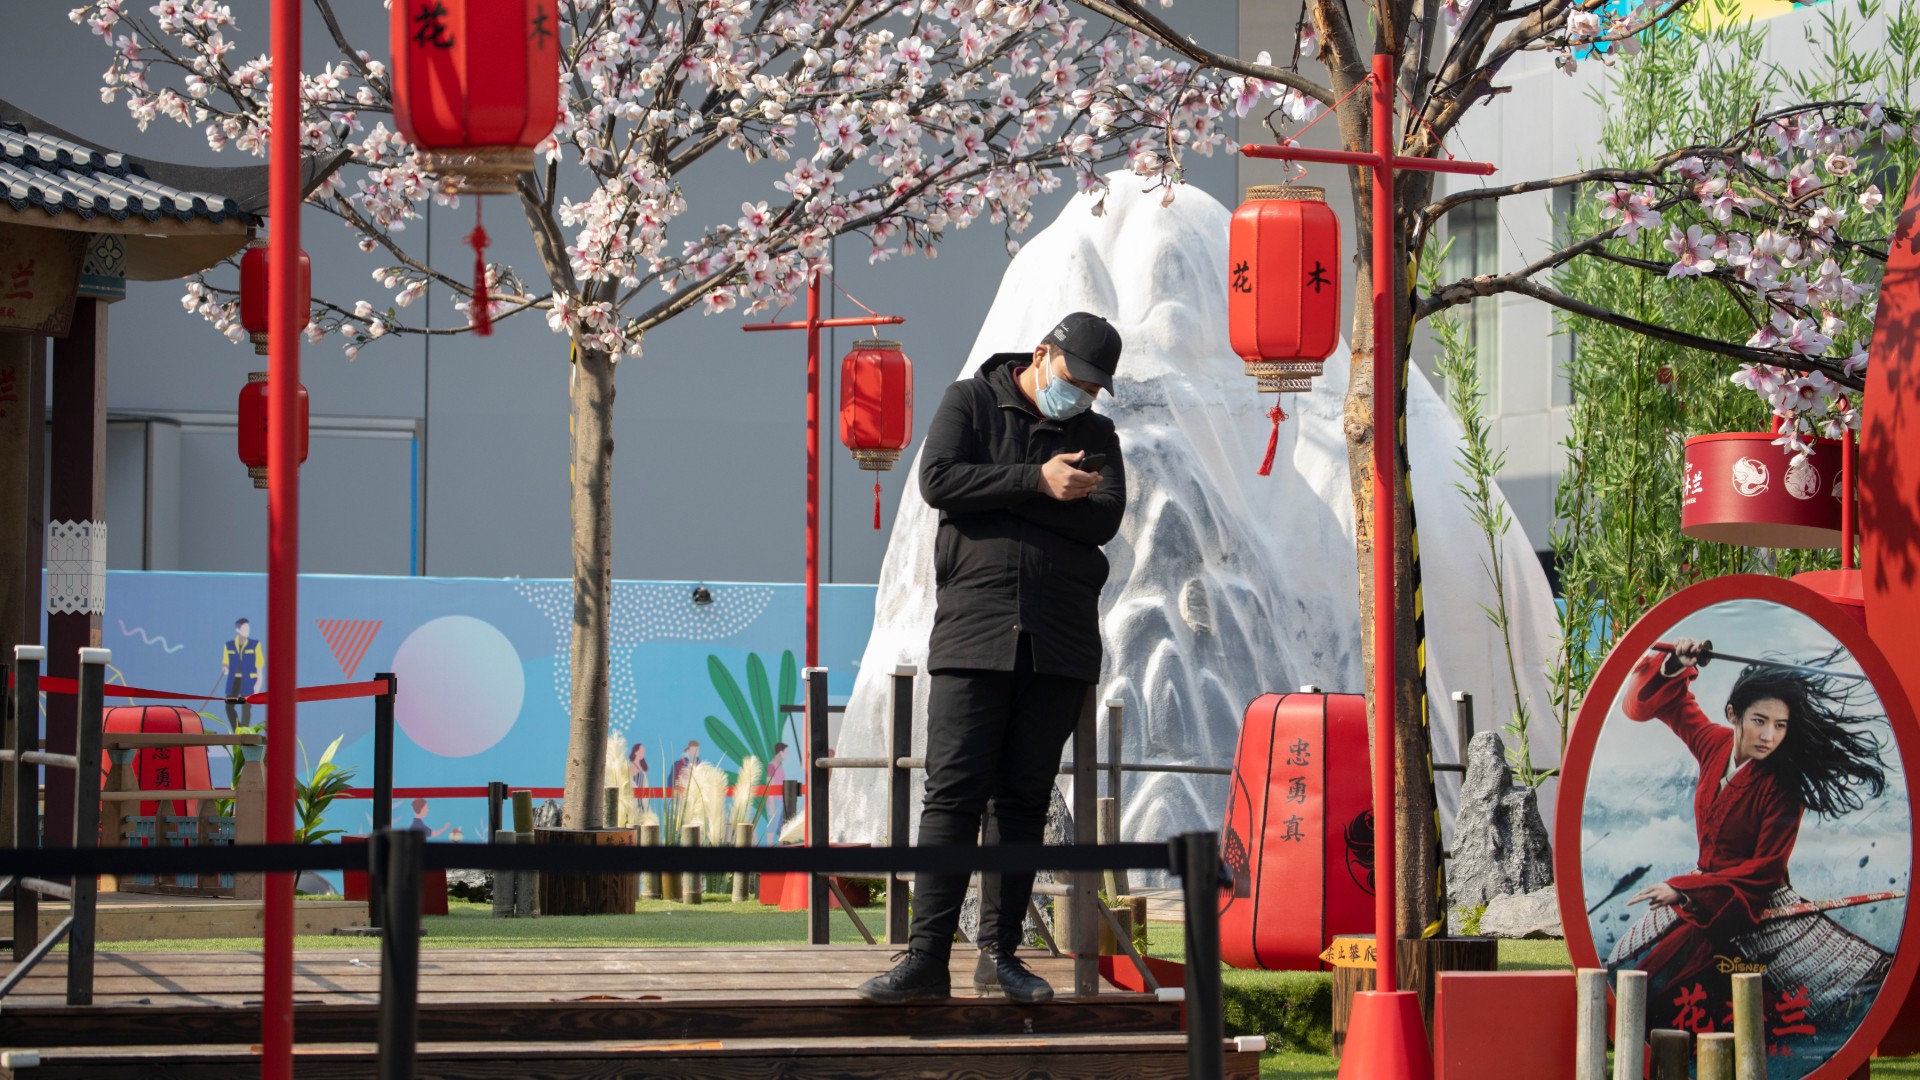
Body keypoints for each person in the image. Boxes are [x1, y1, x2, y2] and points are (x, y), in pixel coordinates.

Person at [857, 311, 1126, 1004]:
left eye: (1096, 390)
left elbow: (1104, 519)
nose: (1083, 398)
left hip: (1060, 642)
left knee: (1024, 800)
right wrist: (1035, 483)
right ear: (1041, 355)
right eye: (1076, 381)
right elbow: (940, 482)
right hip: (974, 633)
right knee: (951, 796)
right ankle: (924, 959)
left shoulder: (1097, 435)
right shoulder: (970, 401)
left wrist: (1000, 500)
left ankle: (1003, 955)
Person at [1612, 637, 1891, 1027]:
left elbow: (1764, 873)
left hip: (1749, 907)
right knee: (1639, 980)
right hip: (1705, 899)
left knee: (1691, 1002)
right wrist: (1674, 663)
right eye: (1759, 721)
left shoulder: (1783, 787)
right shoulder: (1713, 743)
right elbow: (1643, 705)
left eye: (1780, 726)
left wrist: (1685, 890)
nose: (1768, 737)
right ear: (1733, 714)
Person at [220, 618, 263, 729]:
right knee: (229, 706)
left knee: (246, 707)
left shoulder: (255, 645)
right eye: (244, 628)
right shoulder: (229, 645)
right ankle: (237, 729)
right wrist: (225, 668)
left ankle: (245, 732)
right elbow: (225, 663)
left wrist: (258, 683)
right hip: (234, 681)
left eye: (248, 628)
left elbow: (259, 666)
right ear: (238, 629)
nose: (247, 630)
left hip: (248, 680)